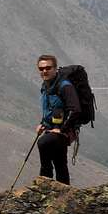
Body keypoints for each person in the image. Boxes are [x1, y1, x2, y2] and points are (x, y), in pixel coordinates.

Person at [35, 54, 81, 185]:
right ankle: (64, 191)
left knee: (43, 143)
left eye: (48, 67)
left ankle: (44, 184)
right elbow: (50, 110)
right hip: (52, 130)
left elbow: (75, 110)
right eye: (41, 68)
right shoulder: (46, 86)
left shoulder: (65, 86)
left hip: (65, 131)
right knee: (60, 162)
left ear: (55, 68)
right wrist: (42, 124)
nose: (44, 71)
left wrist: (61, 129)